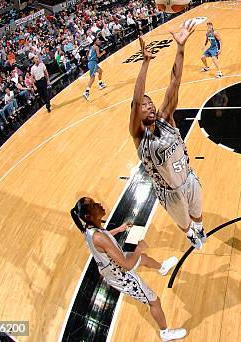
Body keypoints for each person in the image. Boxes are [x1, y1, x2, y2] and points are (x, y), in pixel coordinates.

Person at [130, 21, 208, 250]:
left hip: (189, 178)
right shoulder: (139, 135)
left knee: (197, 214)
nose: (149, 106)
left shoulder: (165, 119)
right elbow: (136, 100)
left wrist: (181, 48)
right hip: (169, 192)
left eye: (150, 102)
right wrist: (145, 63)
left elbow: (175, 81)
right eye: (145, 105)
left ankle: (200, 228)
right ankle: (190, 234)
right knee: (184, 224)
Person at [70, 197, 186, 341]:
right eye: (94, 205)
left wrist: (119, 229)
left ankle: (162, 268)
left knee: (142, 258)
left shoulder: (88, 228)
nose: (99, 204)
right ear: (88, 216)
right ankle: (165, 333)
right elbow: (127, 265)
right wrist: (138, 249)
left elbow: (104, 239)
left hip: (114, 265)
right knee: (155, 301)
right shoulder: (98, 237)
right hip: (122, 275)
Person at [83, 35, 107, 100]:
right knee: (92, 79)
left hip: (91, 63)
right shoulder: (96, 47)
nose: (99, 41)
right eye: (98, 40)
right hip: (93, 63)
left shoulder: (91, 47)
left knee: (100, 71)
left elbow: (87, 55)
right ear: (95, 42)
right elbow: (98, 56)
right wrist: (103, 53)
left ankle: (100, 84)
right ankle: (86, 92)